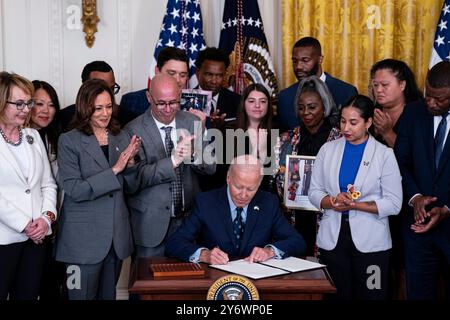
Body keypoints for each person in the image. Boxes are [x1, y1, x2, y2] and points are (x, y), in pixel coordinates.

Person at [309, 95, 402, 300]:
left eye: (353, 122)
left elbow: (394, 203)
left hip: (372, 245)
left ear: (368, 122)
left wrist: (356, 205)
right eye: (343, 121)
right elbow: (314, 193)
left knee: (372, 294)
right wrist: (332, 202)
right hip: (333, 241)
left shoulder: (384, 154)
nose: (346, 128)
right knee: (337, 296)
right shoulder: (328, 150)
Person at [55, 79, 141, 300]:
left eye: (109, 106)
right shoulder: (68, 141)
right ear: (85, 107)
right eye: (98, 108)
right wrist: (115, 169)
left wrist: (130, 164)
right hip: (81, 243)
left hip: (116, 239)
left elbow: (129, 188)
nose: (105, 113)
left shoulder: (120, 136)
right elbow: (74, 188)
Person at [125, 74, 216, 258]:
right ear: (149, 98)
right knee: (150, 285)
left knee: (189, 284)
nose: (168, 109)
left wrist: (194, 155)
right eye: (161, 103)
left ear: (180, 95)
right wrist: (173, 160)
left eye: (174, 102)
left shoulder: (192, 122)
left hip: (190, 224)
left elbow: (211, 167)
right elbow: (135, 179)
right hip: (151, 227)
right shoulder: (132, 130)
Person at [165, 155, 306, 264]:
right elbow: (174, 243)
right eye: (238, 187)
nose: (243, 195)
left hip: (256, 280)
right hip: (214, 280)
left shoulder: (268, 203)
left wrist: (270, 251)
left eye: (251, 189)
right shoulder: (206, 202)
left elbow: (297, 241)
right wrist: (204, 255)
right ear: (228, 178)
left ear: (259, 184)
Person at [394, 61, 450, 299]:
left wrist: (447, 208)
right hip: (418, 228)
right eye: (428, 95)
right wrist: (415, 197)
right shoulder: (413, 113)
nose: (430, 103)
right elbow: (399, 162)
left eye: (440, 100)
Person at [0, 72, 57, 300]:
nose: (27, 109)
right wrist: (25, 224)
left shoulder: (33, 136)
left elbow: (48, 184)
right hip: (4, 239)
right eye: (19, 104)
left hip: (36, 239)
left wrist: (45, 219)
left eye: (29, 103)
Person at [277, 76, 341, 256]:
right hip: (294, 219)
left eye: (312, 107)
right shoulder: (286, 139)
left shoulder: (340, 139)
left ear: (325, 105)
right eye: (301, 107)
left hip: (329, 218)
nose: (306, 112)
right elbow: (275, 179)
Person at [27, 80, 66, 300]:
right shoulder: (14, 139)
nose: (45, 110)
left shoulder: (58, 139)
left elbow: (55, 185)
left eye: (51, 105)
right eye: (39, 103)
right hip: (25, 228)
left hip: (54, 227)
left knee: (52, 286)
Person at [277, 37, 357, 131]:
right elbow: (278, 134)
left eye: (305, 60)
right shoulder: (284, 97)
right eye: (295, 61)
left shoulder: (346, 92)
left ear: (320, 59)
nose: (298, 66)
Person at [119, 47, 189, 127]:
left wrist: (199, 125)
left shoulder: (196, 103)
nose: (177, 80)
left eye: (182, 75)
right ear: (157, 71)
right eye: (171, 73)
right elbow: (123, 138)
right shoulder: (132, 103)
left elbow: (200, 138)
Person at [371, 59, 422, 148]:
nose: (378, 90)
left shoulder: (417, 115)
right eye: (375, 85)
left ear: (402, 85)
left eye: (385, 84)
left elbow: (414, 156)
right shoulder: (369, 112)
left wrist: (388, 133)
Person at [60, 60, 120, 131]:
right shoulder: (63, 118)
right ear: (85, 87)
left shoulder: (125, 117)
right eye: (99, 88)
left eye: (112, 88)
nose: (108, 93)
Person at [195, 47, 241, 128]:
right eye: (209, 74)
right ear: (198, 73)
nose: (214, 81)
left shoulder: (238, 101)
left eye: (219, 75)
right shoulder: (185, 101)